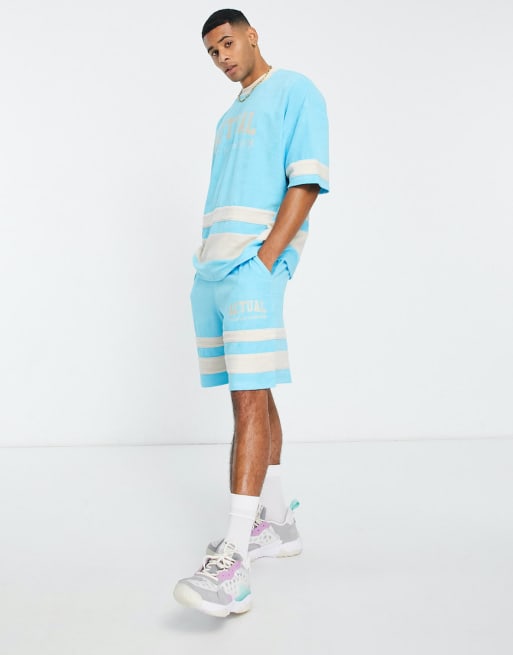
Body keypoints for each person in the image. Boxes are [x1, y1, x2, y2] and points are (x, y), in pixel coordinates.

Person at [173, 8, 329, 617]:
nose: (222, 58)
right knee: (254, 392)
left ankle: (233, 561)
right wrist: (207, 264)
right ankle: (278, 523)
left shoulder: (294, 90)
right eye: (212, 52)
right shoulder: (227, 116)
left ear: (251, 34)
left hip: (251, 271)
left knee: (246, 401)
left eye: (227, 43)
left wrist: (265, 262)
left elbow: (305, 182)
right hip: (212, 272)